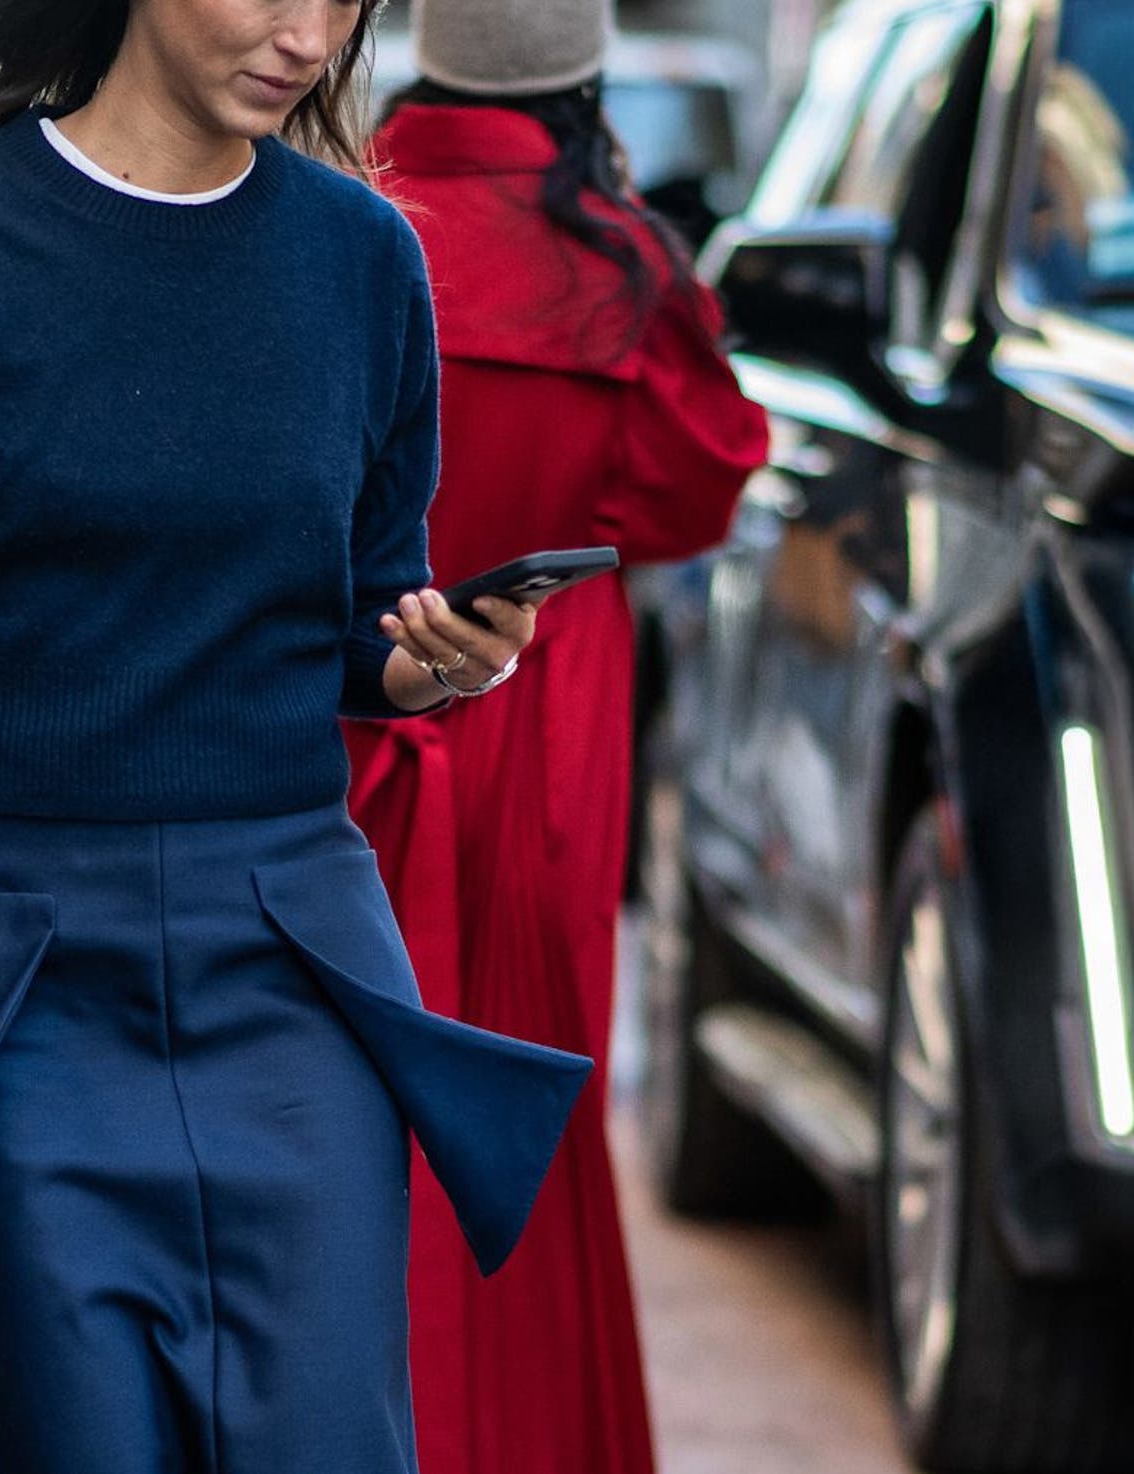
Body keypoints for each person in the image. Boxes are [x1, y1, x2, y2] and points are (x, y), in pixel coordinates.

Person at [0, 1, 594, 1469]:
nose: (308, 34)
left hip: (292, 967)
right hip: (20, 974)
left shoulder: (365, 259)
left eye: (346, 1)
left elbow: (348, 630)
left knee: (329, 1439)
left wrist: (442, 664)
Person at [341, 4, 770, 1473]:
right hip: (548, 714)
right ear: (578, 71)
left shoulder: (348, 221)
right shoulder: (621, 259)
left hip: (358, 705)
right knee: (534, 1097)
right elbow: (697, 491)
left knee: (340, 1099)